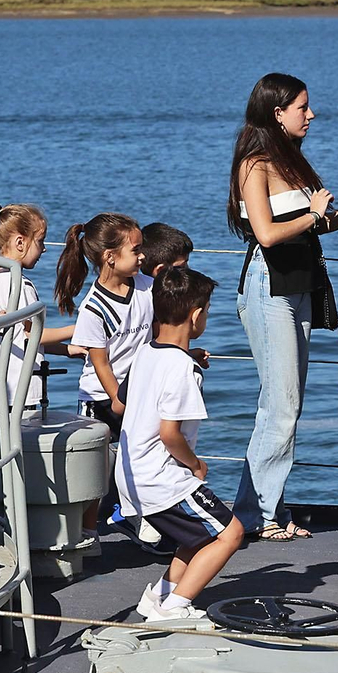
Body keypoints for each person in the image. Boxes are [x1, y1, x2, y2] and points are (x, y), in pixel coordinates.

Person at [227, 73, 338, 542]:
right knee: (281, 404)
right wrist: (313, 214)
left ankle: (258, 507)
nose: (311, 115)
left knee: (285, 402)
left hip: (298, 283)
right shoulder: (255, 163)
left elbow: (301, 227)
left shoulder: (292, 160)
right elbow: (267, 234)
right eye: (303, 107)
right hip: (269, 284)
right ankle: (262, 514)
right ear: (277, 112)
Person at [117, 266, 246, 622]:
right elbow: (170, 433)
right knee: (230, 533)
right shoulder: (182, 370)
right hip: (162, 477)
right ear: (197, 315)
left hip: (133, 473)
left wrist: (187, 357)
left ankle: (157, 597)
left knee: (197, 535)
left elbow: (123, 399)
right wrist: (194, 465)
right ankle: (177, 607)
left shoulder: (146, 353)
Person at [56, 212, 151, 537]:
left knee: (141, 460)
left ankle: (137, 516)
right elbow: (101, 363)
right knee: (97, 472)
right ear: (110, 257)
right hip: (101, 399)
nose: (142, 256)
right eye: (136, 250)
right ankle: (86, 532)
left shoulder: (146, 288)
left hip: (139, 394)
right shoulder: (94, 308)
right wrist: (116, 398)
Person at [0, 202, 74, 411]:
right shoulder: (20, 286)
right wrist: (76, 329)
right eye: (40, 241)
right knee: (18, 442)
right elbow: (31, 335)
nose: (44, 248)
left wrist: (68, 350)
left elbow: (21, 338)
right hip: (19, 390)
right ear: (20, 242)